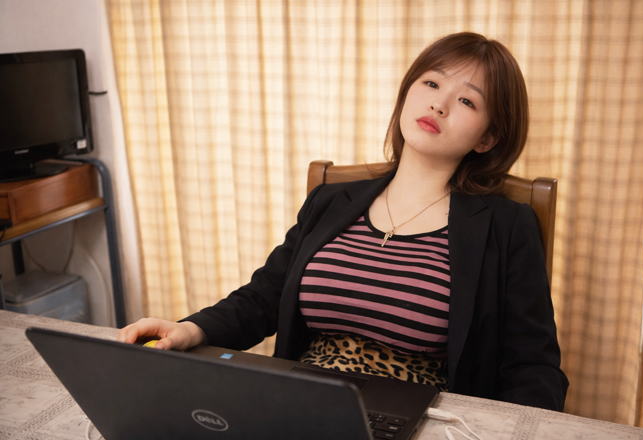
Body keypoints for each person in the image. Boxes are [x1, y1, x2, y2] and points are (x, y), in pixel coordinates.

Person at [118, 32, 569, 411]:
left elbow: (533, 365)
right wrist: (190, 329)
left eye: (467, 100)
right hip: (302, 405)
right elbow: (263, 297)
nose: (439, 104)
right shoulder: (331, 200)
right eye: (431, 83)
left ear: (488, 138)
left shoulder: (507, 226)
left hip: (422, 418)